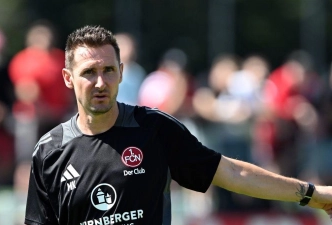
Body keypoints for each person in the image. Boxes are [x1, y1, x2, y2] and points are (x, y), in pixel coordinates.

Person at [24, 25, 332, 225]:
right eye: (89, 72)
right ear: (68, 78)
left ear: (121, 72)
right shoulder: (50, 150)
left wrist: (311, 193)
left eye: (108, 70)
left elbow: (231, 172)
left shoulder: (153, 128)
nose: (100, 82)